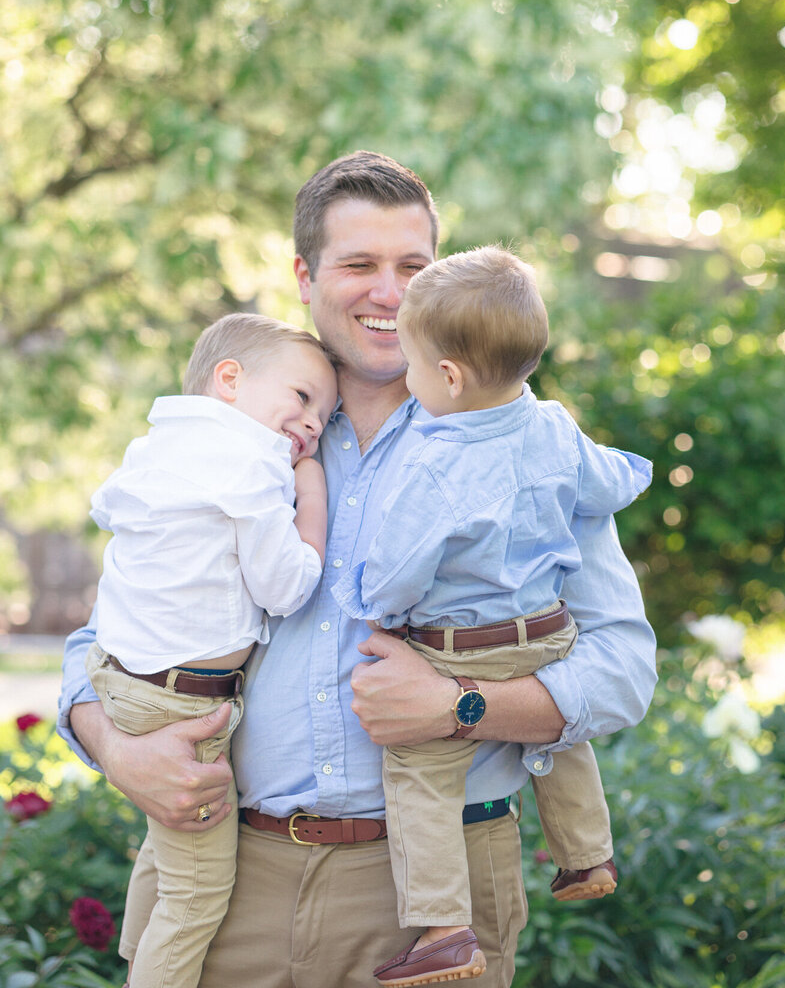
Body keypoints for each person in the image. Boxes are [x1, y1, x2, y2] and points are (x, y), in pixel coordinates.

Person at [58, 150, 658, 988]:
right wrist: (110, 745)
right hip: (231, 874)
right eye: (359, 265)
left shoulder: (521, 445)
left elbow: (623, 669)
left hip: (435, 901)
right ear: (304, 275)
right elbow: (109, 630)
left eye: (412, 267)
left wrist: (462, 705)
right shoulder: (249, 432)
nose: (389, 291)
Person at [330, 247, 651, 985]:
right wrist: (633, 474)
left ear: (447, 376)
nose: (410, 381)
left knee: (419, 771)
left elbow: (399, 567)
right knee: (563, 742)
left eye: (414, 367)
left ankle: (444, 927)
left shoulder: (435, 464)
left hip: (462, 650)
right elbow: (602, 480)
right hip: (546, 636)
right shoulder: (557, 428)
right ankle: (584, 856)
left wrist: (375, 607)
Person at [85, 314, 337, 988]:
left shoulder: (159, 446)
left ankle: (138, 965)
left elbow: (107, 507)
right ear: (231, 381)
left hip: (126, 681)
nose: (313, 425)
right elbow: (286, 586)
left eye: (326, 414)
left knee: (167, 868)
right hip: (179, 706)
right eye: (304, 398)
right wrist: (309, 497)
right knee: (194, 899)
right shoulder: (250, 463)